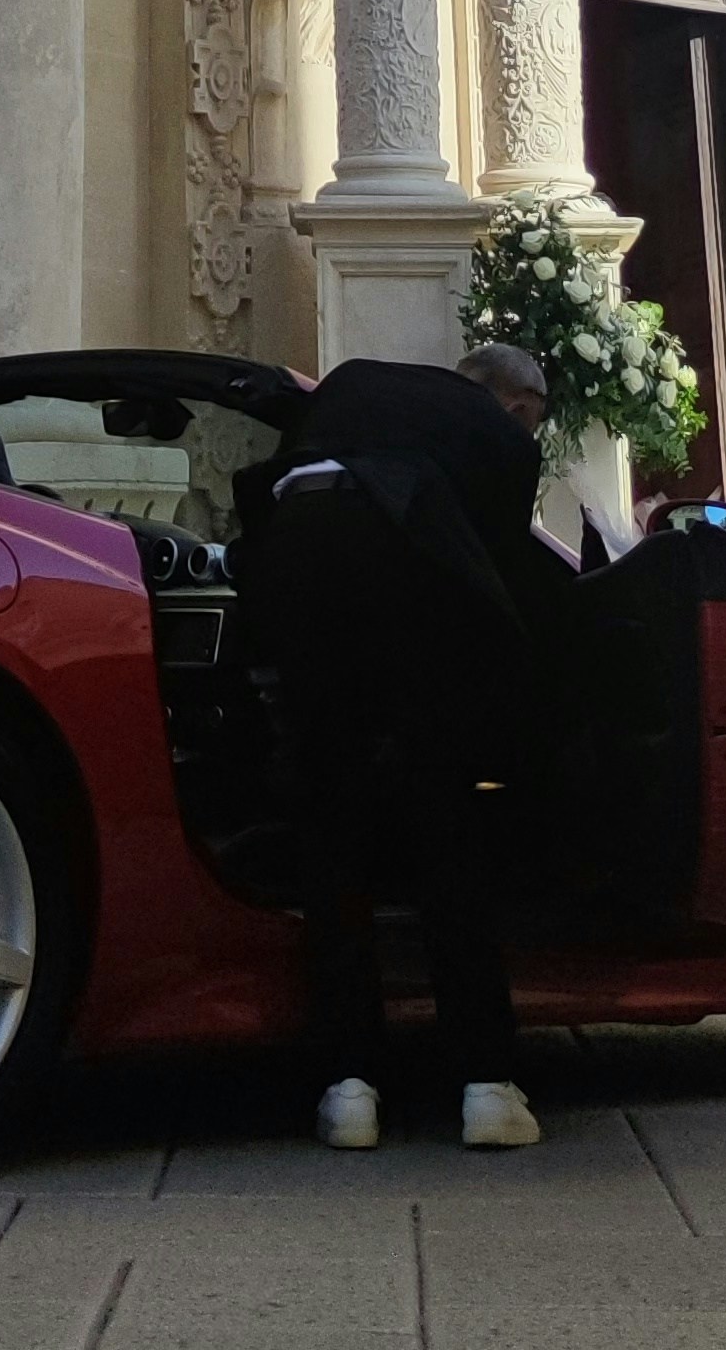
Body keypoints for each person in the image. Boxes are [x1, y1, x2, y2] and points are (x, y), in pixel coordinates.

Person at [239, 337, 582, 1151]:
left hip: (298, 559)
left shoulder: (353, 384)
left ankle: (349, 1088)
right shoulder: (498, 438)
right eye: (531, 421)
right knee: (446, 824)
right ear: (518, 405)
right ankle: (487, 1087)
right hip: (413, 589)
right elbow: (500, 576)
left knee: (331, 819)